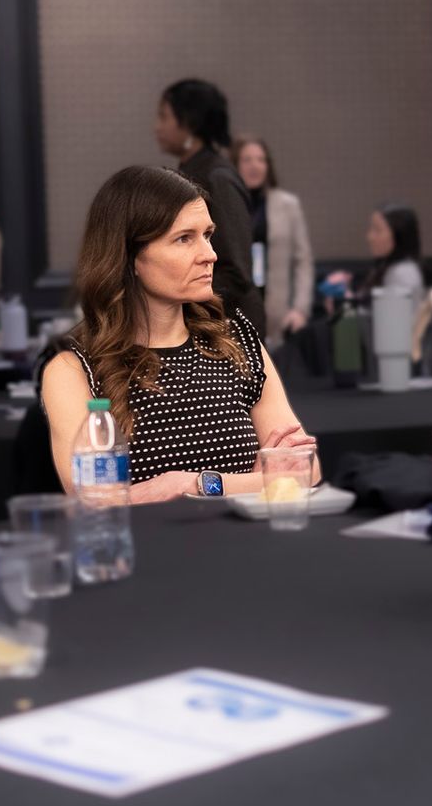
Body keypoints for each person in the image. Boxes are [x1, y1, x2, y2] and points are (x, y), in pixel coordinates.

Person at [41, 165, 317, 502]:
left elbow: (305, 469)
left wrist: (187, 485)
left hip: (248, 547)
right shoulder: (74, 369)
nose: (210, 255)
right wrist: (258, 481)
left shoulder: (236, 342)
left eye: (208, 235)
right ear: (131, 258)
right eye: (184, 239)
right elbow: (92, 499)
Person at [156, 79, 266, 334]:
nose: (157, 127)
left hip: (230, 323)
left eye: (164, 117)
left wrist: (179, 298)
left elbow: (237, 271)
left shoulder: (217, 176)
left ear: (189, 122)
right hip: (206, 315)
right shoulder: (191, 170)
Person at [234, 135, 315, 346]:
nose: (255, 166)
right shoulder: (228, 204)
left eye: (261, 160)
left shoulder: (287, 204)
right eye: (247, 159)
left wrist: (300, 309)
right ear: (235, 164)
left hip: (278, 314)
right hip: (238, 309)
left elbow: (303, 260)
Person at [327, 204, 425, 301]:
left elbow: (391, 315)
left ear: (399, 234)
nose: (369, 237)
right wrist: (343, 294)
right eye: (371, 229)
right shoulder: (388, 267)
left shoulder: (403, 273)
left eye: (377, 230)